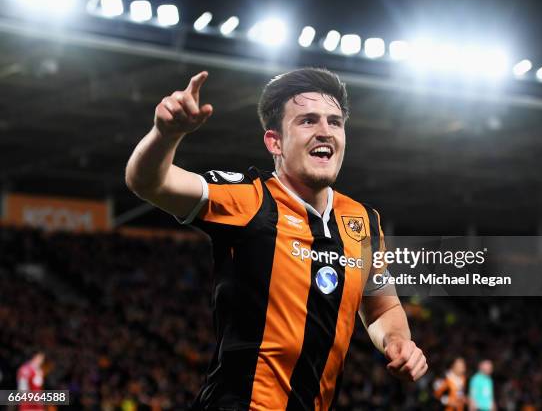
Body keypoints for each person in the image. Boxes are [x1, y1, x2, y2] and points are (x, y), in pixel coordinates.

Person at [125, 67, 428, 410]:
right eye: (308, 121)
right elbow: (149, 182)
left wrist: (399, 341)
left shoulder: (362, 220)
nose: (325, 131)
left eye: (334, 121)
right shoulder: (249, 199)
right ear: (275, 142)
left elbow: (381, 307)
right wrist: (165, 134)